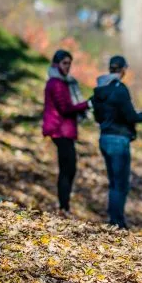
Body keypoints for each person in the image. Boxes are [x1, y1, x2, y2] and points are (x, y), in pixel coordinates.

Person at [91, 55, 142, 229]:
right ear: (122, 69)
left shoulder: (99, 89)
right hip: (119, 140)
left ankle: (114, 219)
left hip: (104, 137)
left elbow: (97, 116)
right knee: (120, 183)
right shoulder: (120, 89)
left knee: (113, 182)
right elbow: (130, 115)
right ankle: (117, 222)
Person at [42, 49, 90, 216]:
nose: (68, 67)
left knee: (70, 168)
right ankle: (64, 207)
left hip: (65, 129)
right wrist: (87, 105)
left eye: (69, 63)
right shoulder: (56, 83)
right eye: (65, 63)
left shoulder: (64, 82)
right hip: (59, 130)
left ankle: (65, 206)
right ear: (56, 63)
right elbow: (65, 108)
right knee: (67, 168)